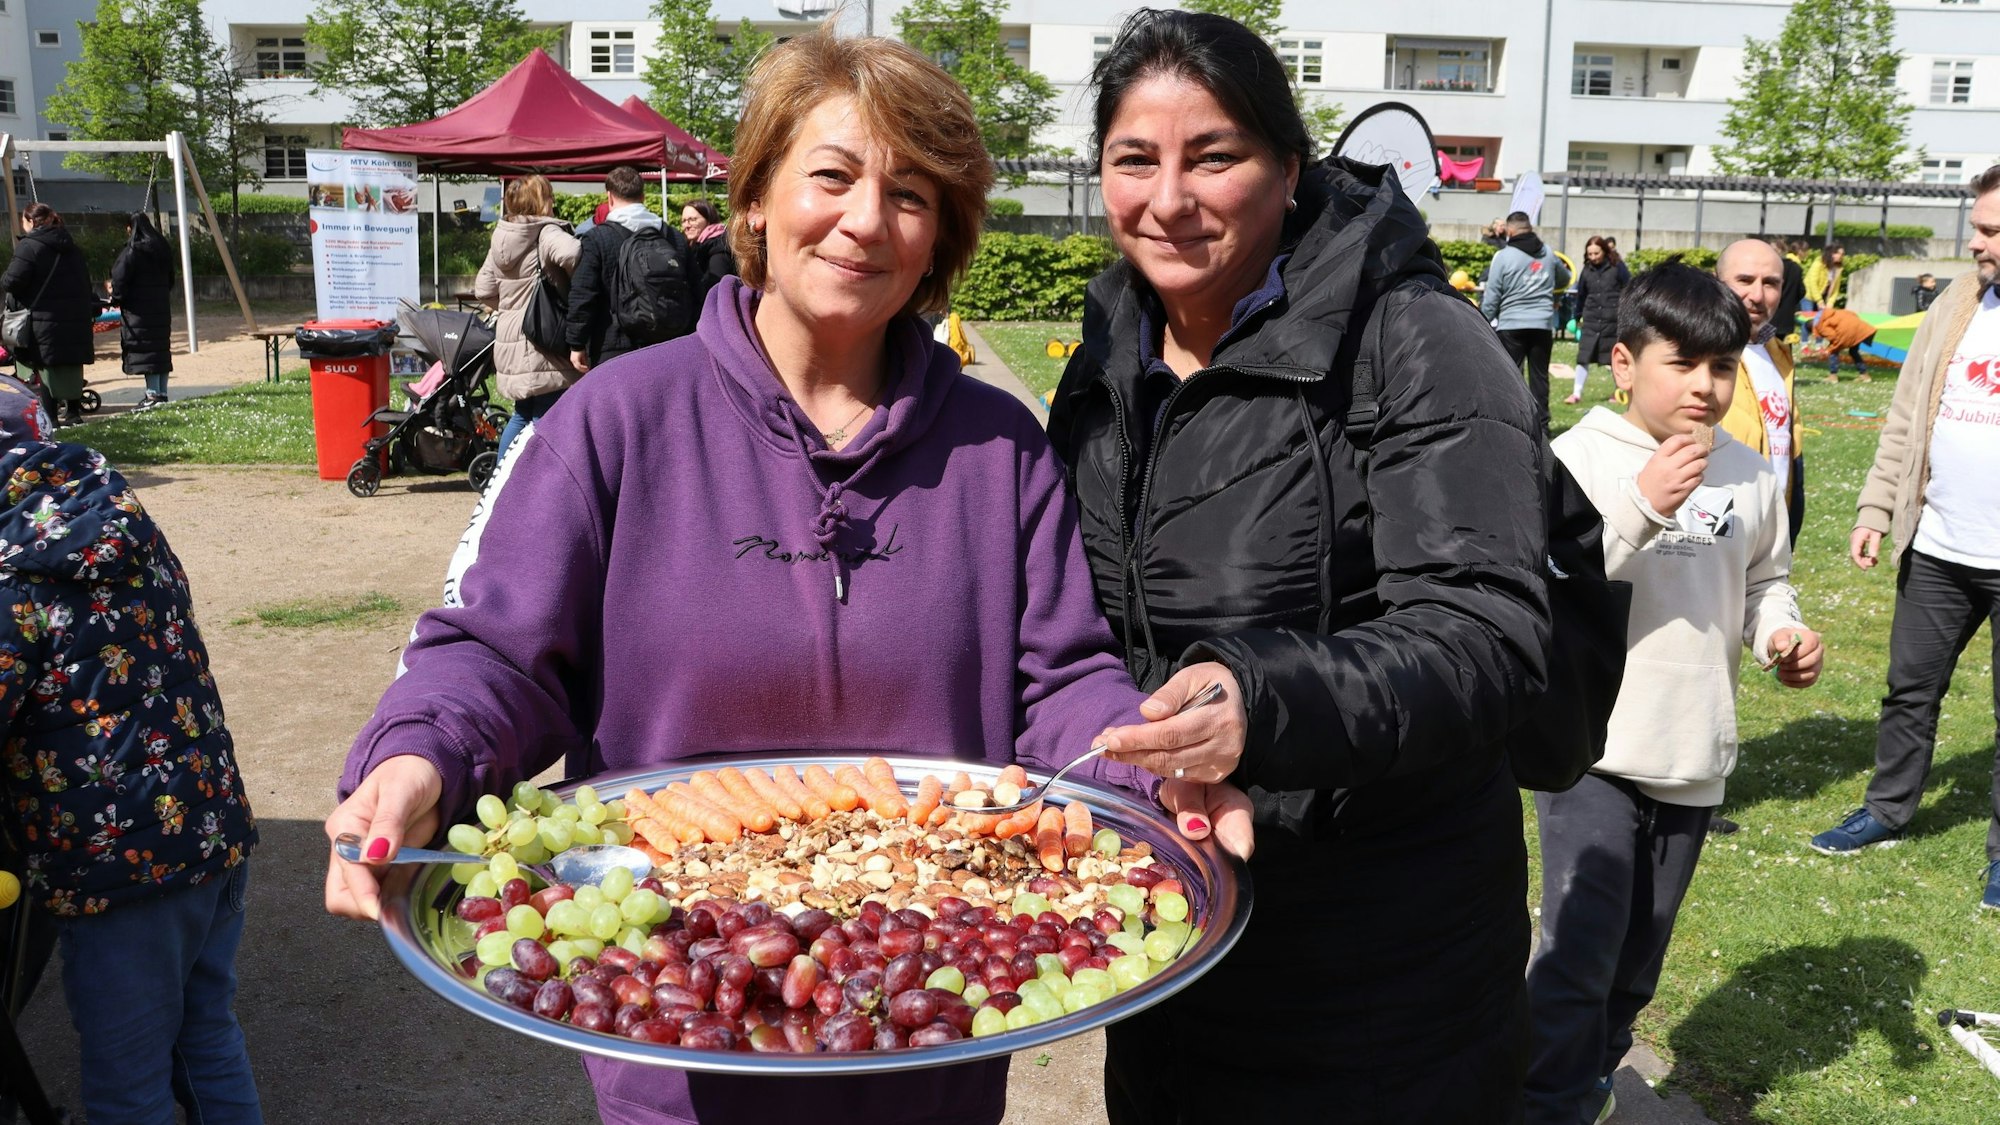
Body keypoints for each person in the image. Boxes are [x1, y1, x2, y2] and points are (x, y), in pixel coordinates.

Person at [325, 28, 1234, 1125]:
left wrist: (1145, 771)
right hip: (680, 1025)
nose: (864, 222)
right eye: (833, 176)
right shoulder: (617, 423)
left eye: (909, 195)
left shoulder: (998, 447)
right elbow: (497, 654)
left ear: (940, 233)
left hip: (924, 1030)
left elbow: (1059, 681)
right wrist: (417, 755)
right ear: (753, 200)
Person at [1050, 11, 1551, 1121]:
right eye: (1134, 159)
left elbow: (1488, 635)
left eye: (1212, 157)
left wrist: (1257, 698)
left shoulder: (1416, 341)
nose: (1168, 198)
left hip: (1381, 980)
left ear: (1287, 168)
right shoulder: (1104, 362)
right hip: (1174, 937)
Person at [1526, 263, 1822, 1125]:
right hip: (1595, 750)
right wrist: (1640, 510)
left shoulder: (1749, 472)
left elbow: (1766, 579)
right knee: (1579, 954)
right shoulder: (1576, 459)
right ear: (1623, 363)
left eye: (1721, 366)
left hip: (1694, 751)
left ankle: (1590, 1083)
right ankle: (1541, 1103)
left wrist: (1778, 634)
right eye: (1681, 362)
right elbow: (1547, 586)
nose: (1704, 384)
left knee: (1636, 964)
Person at [0, 373, 261, 1123]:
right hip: (210, 829)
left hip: (121, 871)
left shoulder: (11, 574)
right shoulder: (116, 517)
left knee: (128, 1086)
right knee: (205, 1033)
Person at [1810, 165, 2000, 909]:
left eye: (1990, 232)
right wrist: (1874, 510)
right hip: (1941, 547)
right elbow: (1904, 420)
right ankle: (1887, 809)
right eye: (1979, 226)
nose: (1976, 243)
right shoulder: (1958, 301)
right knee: (1909, 690)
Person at [475, 174, 581, 462]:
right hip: (543, 336)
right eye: (549, 196)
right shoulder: (545, 233)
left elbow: (482, 289)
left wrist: (510, 306)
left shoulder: (501, 237)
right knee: (548, 413)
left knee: (522, 413)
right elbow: (573, 252)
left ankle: (503, 475)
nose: (553, 202)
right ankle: (535, 480)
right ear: (539, 201)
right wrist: (567, 288)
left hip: (510, 338)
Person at [1717, 238, 1807, 547]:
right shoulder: (1699, 355)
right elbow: (1691, 432)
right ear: (1718, 283)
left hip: (1774, 525)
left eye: (1770, 283)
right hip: (1721, 525)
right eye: (1744, 281)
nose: (1757, 295)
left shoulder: (1779, 354)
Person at [565, 166, 693, 375]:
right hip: (668, 344)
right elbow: (695, 291)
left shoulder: (598, 239)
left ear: (610, 197)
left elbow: (583, 293)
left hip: (613, 346)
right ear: (643, 196)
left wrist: (576, 342)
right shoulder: (673, 237)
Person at [0, 203, 97, 427]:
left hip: (43, 318)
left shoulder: (29, 246)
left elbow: (12, 281)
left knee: (45, 365)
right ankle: (73, 413)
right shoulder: (72, 247)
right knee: (70, 363)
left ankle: (51, 417)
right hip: (74, 316)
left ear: (31, 222)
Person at [1483, 209, 1572, 433]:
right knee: (1539, 378)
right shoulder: (1548, 254)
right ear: (1530, 229)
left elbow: (1493, 294)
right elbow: (1565, 278)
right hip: (1541, 324)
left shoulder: (1503, 256)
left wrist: (1484, 321)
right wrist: (1555, 296)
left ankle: (1513, 423)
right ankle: (1543, 426)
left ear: (1510, 231)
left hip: (1511, 325)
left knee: (1511, 376)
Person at [111, 210, 177, 409]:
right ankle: (161, 393)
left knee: (146, 351)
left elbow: (120, 279)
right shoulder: (162, 249)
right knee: (160, 351)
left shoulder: (132, 252)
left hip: (138, 311)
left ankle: (152, 395)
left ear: (130, 228)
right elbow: (171, 279)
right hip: (160, 308)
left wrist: (116, 297)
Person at [1568, 235, 1627, 403]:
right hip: (1591, 319)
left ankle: (1619, 391)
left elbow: (1628, 288)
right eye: (1590, 254)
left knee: (1613, 359)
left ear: (1605, 251)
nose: (1593, 257)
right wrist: (1577, 316)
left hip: (1613, 321)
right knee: (1583, 357)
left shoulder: (1618, 267)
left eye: (1596, 253)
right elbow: (1581, 295)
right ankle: (1576, 394)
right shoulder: (1587, 270)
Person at [1805, 242, 1868, 381]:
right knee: (1853, 350)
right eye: (1840, 253)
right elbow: (1812, 283)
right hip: (1859, 327)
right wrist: (1819, 301)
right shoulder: (1818, 264)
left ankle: (1833, 375)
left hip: (1846, 330)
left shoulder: (1838, 269)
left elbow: (1835, 289)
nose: (1842, 256)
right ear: (1831, 253)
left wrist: (1829, 304)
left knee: (1833, 348)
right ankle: (1864, 374)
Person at [681, 198, 739, 318]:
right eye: (684, 221)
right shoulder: (696, 247)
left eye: (692, 219)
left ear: (708, 220)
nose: (687, 225)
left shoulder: (718, 250)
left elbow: (714, 291)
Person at [1775, 238, 1807, 340]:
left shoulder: (1771, 268)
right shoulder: (1796, 268)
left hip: (1770, 318)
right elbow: (1802, 291)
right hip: (1787, 317)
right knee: (1785, 350)